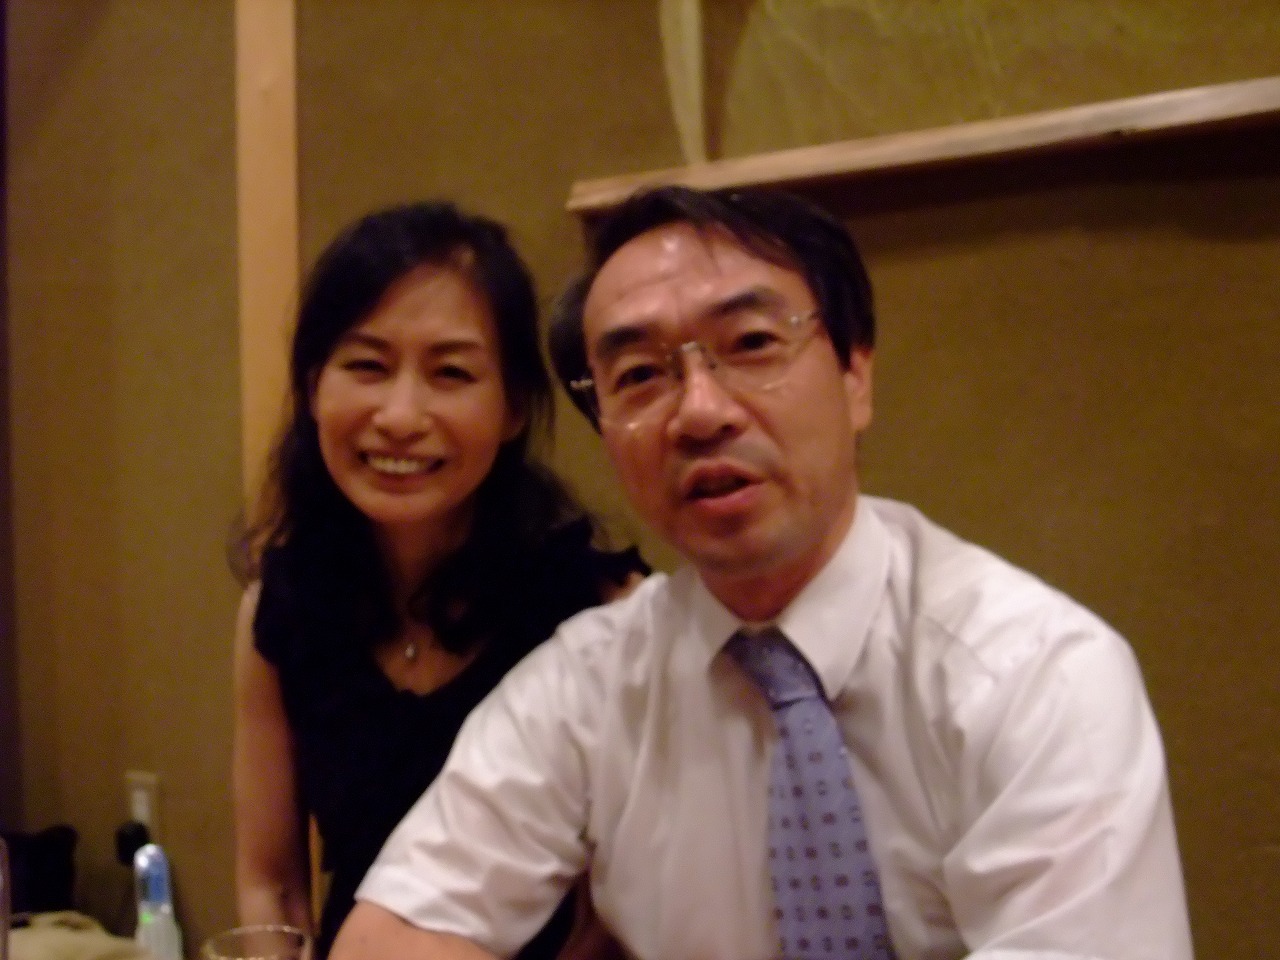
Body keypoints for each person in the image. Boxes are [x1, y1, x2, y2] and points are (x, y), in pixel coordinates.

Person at [328, 186, 1193, 960]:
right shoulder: (585, 686)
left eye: (750, 343)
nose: (700, 411)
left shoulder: (1035, 674)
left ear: (855, 374)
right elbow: (391, 937)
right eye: (639, 375)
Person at [231, 201, 645, 960]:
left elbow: (614, 918)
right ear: (314, 385)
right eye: (367, 366)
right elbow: (271, 883)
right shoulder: (286, 608)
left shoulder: (597, 611)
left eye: (451, 373)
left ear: (513, 408)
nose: (400, 415)